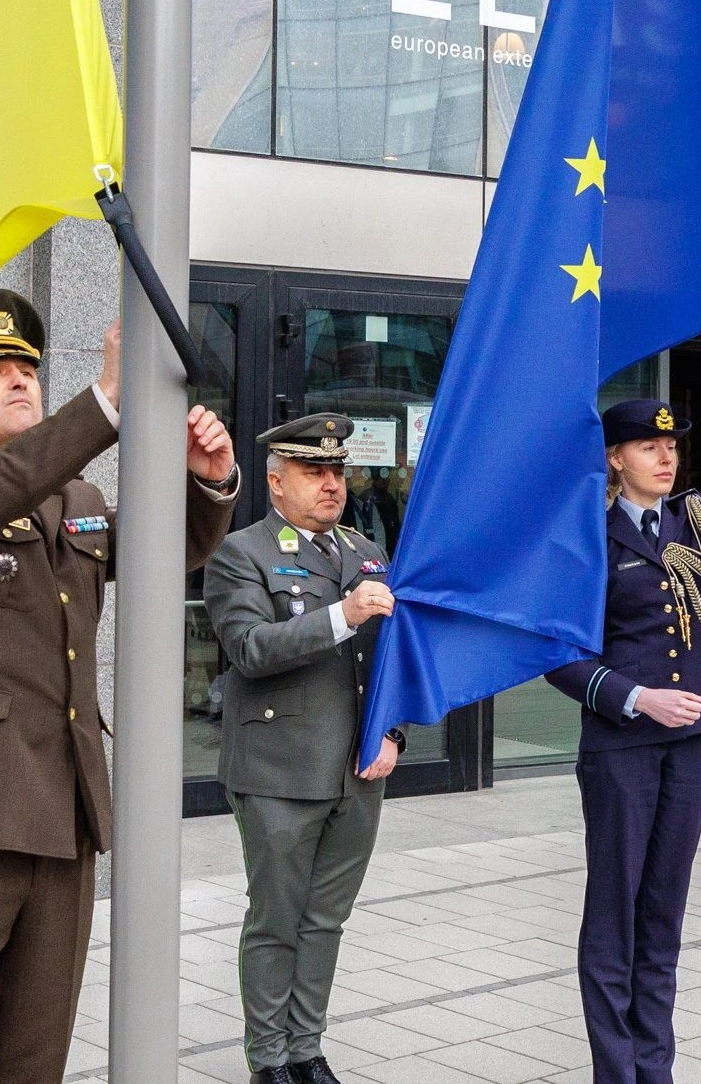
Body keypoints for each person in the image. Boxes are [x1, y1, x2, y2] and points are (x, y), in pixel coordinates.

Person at [0, 289, 239, 1084]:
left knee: (32, 1064)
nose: (19, 379)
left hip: (60, 818)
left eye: (29, 369)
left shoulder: (78, 500)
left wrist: (208, 483)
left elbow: (158, 559)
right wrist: (105, 402)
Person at [546, 381, 701, 1084]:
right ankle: (615, 1071)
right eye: (649, 447)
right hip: (621, 745)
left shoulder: (693, 520)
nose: (667, 458)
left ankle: (654, 1067)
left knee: (664, 909)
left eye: (672, 447)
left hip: (693, 743)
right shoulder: (585, 537)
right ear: (615, 460)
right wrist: (635, 699)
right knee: (614, 916)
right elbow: (559, 655)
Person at [206, 414, 409, 1084]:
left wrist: (395, 732)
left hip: (359, 768)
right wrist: (340, 617)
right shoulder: (243, 553)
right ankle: (267, 1059)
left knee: (326, 920)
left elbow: (397, 659)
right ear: (276, 481)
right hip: (279, 769)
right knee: (277, 921)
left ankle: (305, 1047)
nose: (332, 485)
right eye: (314, 472)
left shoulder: (362, 549)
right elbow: (248, 650)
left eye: (337, 472)